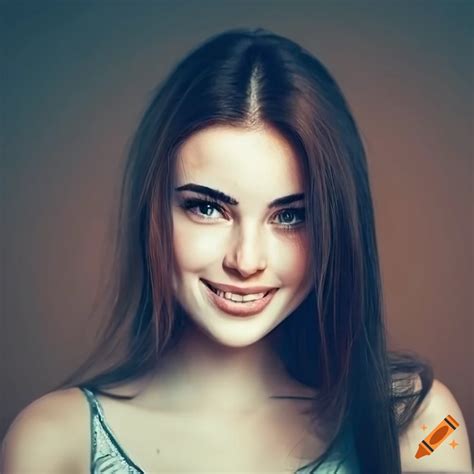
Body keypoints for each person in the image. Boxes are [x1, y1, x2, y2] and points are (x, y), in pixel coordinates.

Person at [1, 27, 471, 474]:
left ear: (337, 227)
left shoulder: (421, 423)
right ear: (153, 211)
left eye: (289, 216)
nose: (245, 262)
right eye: (207, 208)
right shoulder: (54, 442)